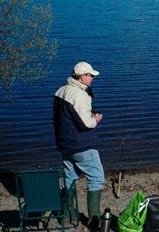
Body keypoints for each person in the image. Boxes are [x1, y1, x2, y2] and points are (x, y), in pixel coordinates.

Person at [54, 61, 105, 231]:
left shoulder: (60, 91)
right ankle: (94, 220)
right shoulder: (79, 95)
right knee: (96, 178)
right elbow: (86, 124)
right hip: (82, 145)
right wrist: (95, 119)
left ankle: (70, 217)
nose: (92, 78)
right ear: (82, 77)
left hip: (65, 145)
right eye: (90, 75)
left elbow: (67, 118)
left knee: (70, 179)